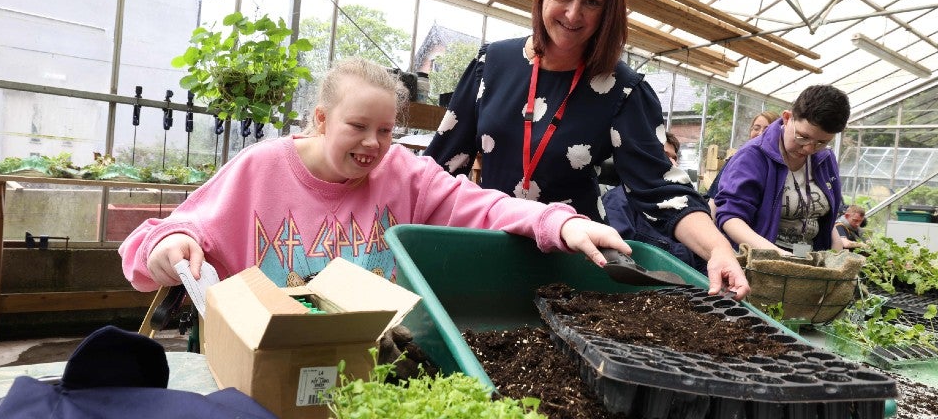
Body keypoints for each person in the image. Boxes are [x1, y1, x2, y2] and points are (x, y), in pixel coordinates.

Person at [119, 57, 631, 292]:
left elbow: (485, 205)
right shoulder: (261, 167)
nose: (373, 144)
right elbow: (165, 236)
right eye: (357, 127)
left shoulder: (404, 173)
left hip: (376, 366)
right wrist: (171, 247)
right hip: (269, 366)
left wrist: (559, 223)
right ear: (321, 120)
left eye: (385, 130)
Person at [422, 0, 747, 299]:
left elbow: (663, 191)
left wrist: (718, 249)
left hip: (576, 261)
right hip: (491, 246)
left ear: (607, 11)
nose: (574, 14)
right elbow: (441, 167)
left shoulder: (621, 89)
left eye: (592, 2)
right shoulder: (491, 64)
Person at [714, 85, 850, 255]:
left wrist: (836, 256)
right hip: (761, 263)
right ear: (787, 118)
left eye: (821, 142)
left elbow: (824, 220)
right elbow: (730, 218)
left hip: (809, 259)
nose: (809, 148)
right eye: (803, 137)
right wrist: (779, 256)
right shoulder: (753, 156)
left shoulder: (825, 158)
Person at [602, 132, 707, 273]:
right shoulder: (618, 201)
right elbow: (618, 260)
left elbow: (701, 263)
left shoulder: (683, 207)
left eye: (675, 158)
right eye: (665, 155)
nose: (674, 163)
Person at [706, 110, 780, 212]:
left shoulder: (782, 166)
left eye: (768, 129)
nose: (760, 133)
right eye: (756, 128)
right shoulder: (736, 160)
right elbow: (714, 199)